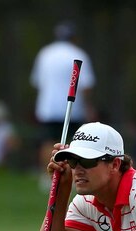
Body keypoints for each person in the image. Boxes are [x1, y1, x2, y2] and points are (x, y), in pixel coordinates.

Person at [31, 21, 96, 188]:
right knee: (75, 144)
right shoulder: (78, 53)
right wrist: (88, 106)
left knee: (48, 140)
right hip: (74, 107)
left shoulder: (45, 53)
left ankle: (48, 177)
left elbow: (37, 81)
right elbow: (87, 85)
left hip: (48, 107)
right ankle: (75, 176)